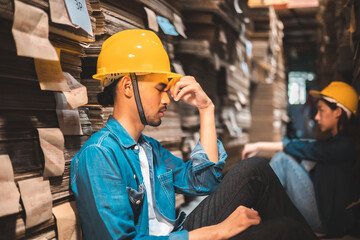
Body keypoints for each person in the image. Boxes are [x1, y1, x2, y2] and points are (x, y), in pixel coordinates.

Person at [70, 29, 318, 240]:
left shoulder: (149, 149)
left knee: (257, 174)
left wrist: (206, 109)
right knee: (284, 229)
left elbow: (206, 181)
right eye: (160, 89)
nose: (167, 99)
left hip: (182, 233)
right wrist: (217, 232)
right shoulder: (99, 154)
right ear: (127, 86)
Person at [242, 81, 360, 237]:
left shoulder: (345, 146)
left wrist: (258, 145)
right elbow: (308, 145)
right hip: (321, 213)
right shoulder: (337, 144)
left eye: (321, 110)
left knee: (284, 159)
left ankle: (250, 211)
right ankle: (257, 210)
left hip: (324, 222)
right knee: (295, 157)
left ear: (337, 112)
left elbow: (306, 148)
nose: (316, 117)